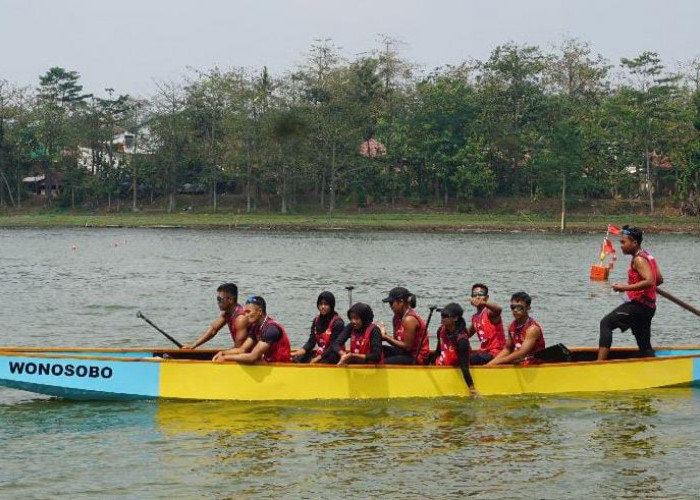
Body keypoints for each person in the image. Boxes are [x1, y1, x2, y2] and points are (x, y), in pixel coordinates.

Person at [598, 226, 664, 361]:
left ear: (634, 243)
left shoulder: (639, 259)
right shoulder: (648, 256)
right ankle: (652, 365)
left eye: (623, 242)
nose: (621, 246)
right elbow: (659, 279)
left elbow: (650, 281)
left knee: (606, 323)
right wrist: (642, 287)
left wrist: (625, 287)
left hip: (639, 306)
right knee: (644, 345)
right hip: (648, 307)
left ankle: (598, 365)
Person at [213, 296, 291, 363]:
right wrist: (222, 353)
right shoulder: (255, 327)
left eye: (248, 312)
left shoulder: (271, 329)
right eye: (245, 312)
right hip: (268, 364)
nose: (245, 315)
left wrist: (226, 358)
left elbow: (252, 357)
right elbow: (242, 350)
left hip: (280, 367)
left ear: (259, 311)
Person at [183, 283, 250, 349]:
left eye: (220, 299)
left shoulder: (241, 319)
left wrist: (223, 354)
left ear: (230, 300)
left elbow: (239, 347)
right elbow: (213, 330)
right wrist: (194, 345)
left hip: (250, 355)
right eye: (217, 299)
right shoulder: (227, 314)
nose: (218, 302)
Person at [488, 292, 545, 366]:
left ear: (528, 308)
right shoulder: (511, 326)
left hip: (533, 364)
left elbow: (521, 353)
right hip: (519, 361)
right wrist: (491, 363)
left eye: (519, 307)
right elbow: (508, 349)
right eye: (513, 307)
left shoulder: (532, 329)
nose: (515, 310)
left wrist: (498, 362)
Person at [434, 303, 478, 397]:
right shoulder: (440, 330)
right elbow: (438, 351)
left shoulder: (462, 340)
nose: (442, 318)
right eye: (442, 315)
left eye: (446, 316)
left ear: (455, 318)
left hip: (456, 367)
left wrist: (471, 388)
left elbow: (464, 366)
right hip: (441, 366)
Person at [379, 287, 429, 365]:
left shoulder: (409, 319)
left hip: (415, 357)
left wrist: (386, 337)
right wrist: (380, 336)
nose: (390, 306)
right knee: (378, 350)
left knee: (383, 363)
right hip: (404, 353)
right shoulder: (396, 318)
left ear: (401, 302)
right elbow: (398, 344)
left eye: (391, 303)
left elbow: (407, 347)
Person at [291, 291, 345, 364]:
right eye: (320, 304)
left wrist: (316, 360)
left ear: (331, 305)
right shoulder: (316, 320)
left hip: (333, 354)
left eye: (326, 304)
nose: (322, 307)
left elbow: (333, 346)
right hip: (321, 353)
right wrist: (298, 353)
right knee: (298, 358)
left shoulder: (338, 323)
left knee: (331, 357)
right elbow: (311, 342)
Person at [467, 283, 506, 365]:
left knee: (469, 359)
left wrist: (484, 303)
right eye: (475, 294)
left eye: (481, 294)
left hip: (496, 353)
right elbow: (466, 334)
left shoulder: (490, 313)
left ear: (487, 297)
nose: (477, 297)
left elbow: (498, 309)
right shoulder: (475, 317)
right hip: (484, 353)